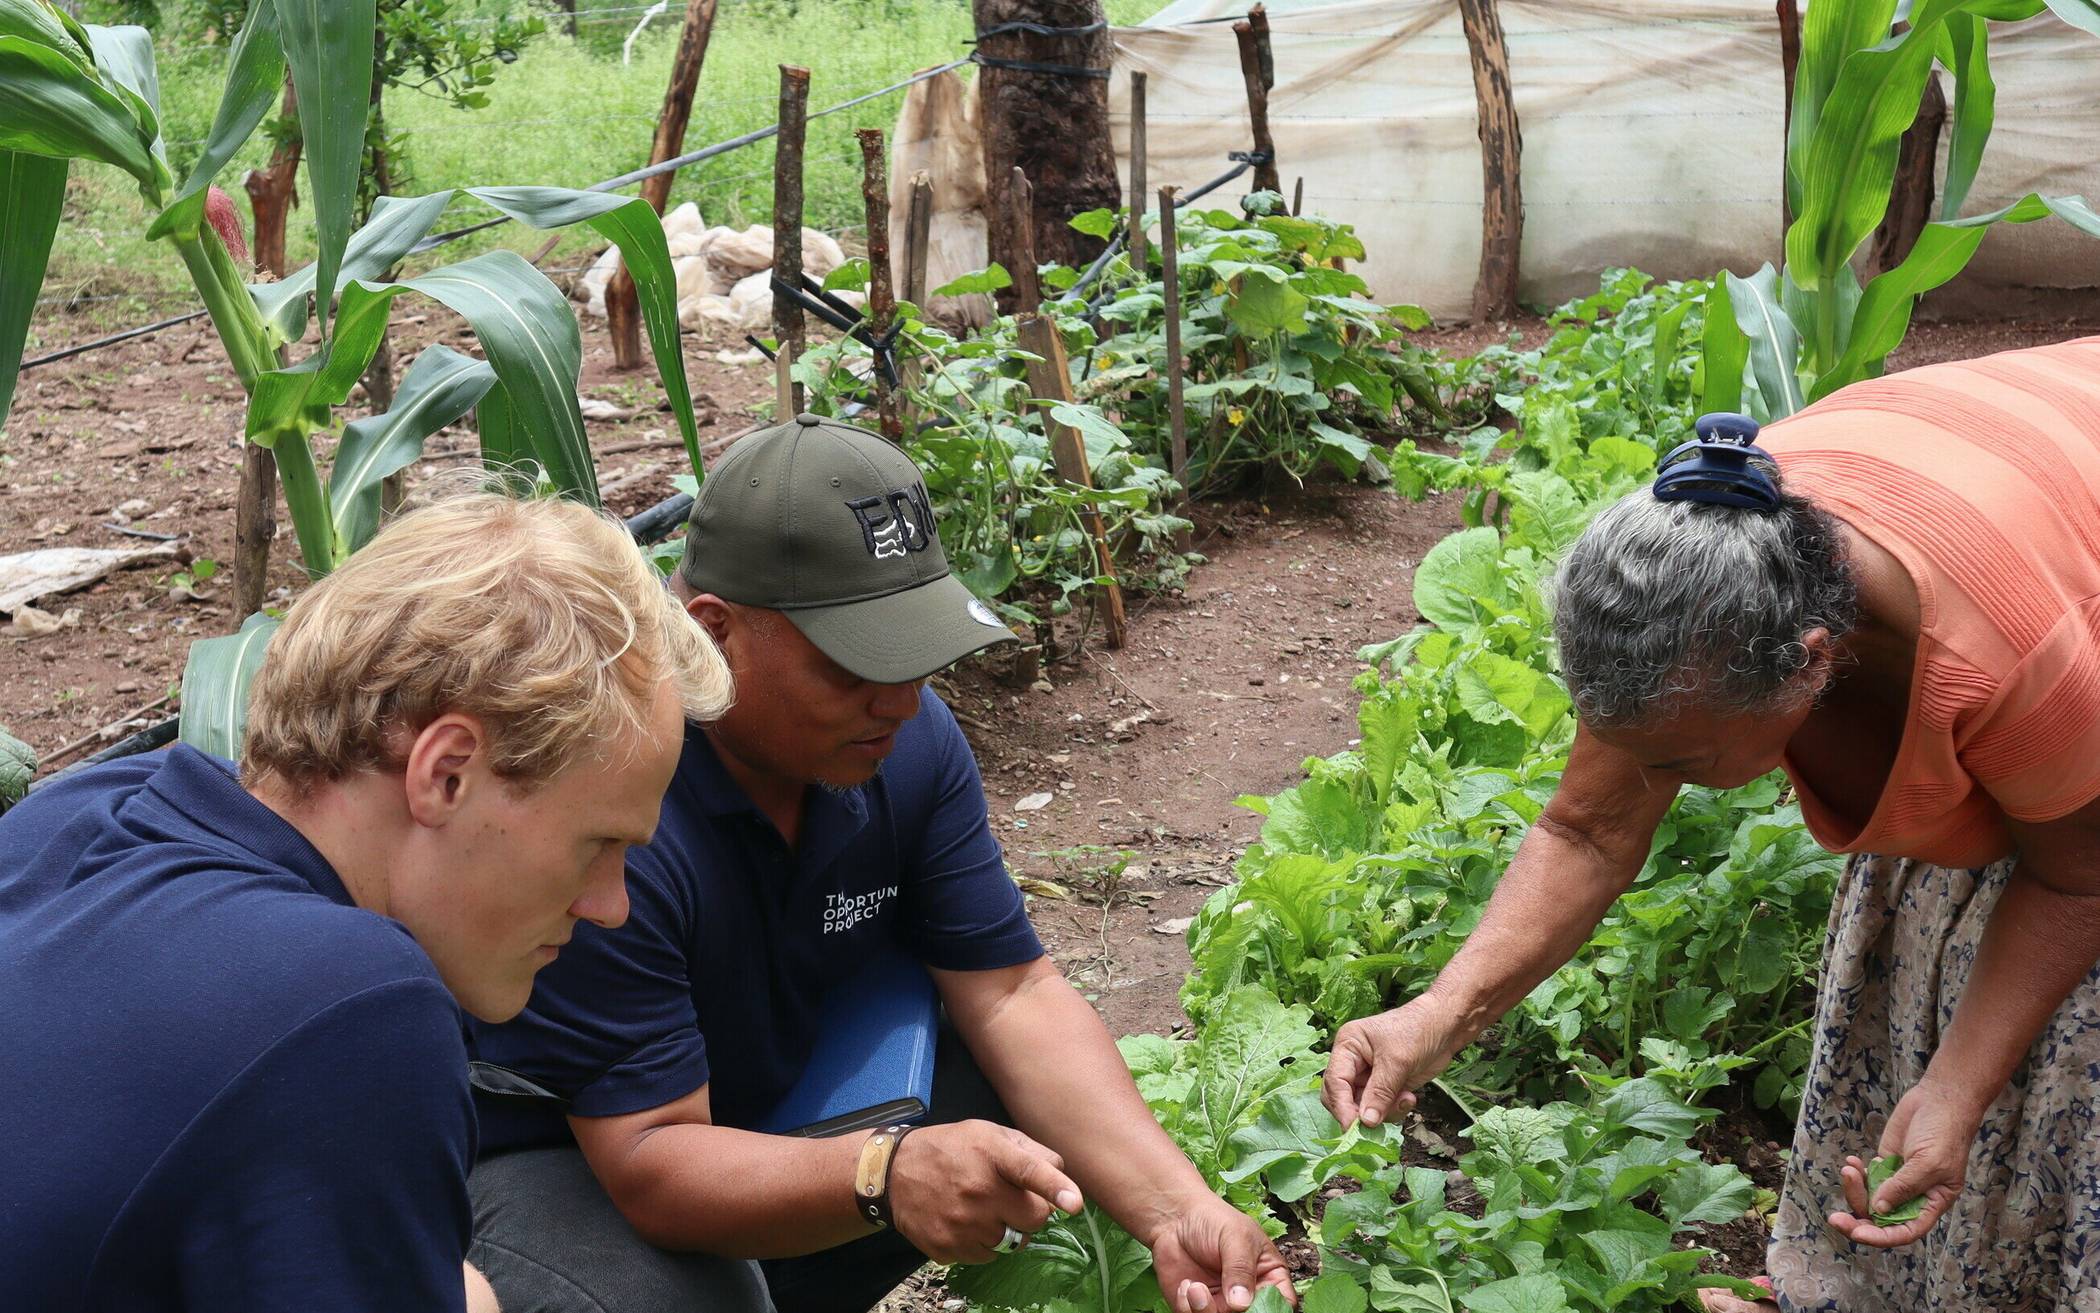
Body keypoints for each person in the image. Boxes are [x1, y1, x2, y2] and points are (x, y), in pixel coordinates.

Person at [1321, 336, 2100, 1313]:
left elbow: (2079, 874)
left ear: (1814, 662)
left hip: (2066, 617)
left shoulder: (2011, 646)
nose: (1652, 783)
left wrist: (1956, 1086)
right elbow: (1590, 830)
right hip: (2018, 516)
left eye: (1680, 765)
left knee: (2063, 1073)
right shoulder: (1710, 561)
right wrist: (1434, 1018)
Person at [468, 415, 1294, 1313]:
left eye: (913, 652)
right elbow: (649, 1157)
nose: (902, 701)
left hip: (735, 1095)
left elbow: (1011, 991)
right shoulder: (619, 797)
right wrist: (879, 1174)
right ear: (714, 630)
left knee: (1000, 1098)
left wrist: (1177, 1211)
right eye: (855, 663)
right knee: (655, 1299)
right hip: (552, 1152)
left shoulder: (901, 740)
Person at [0, 491, 732, 1311]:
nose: (612, 906)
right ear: (446, 771)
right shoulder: (352, 1005)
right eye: (600, 844)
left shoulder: (84, 813)